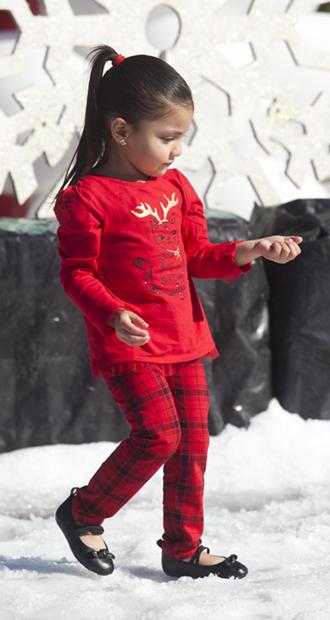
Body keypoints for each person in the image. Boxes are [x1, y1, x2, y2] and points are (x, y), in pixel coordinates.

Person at [53, 44, 303, 580]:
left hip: (185, 339)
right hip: (131, 345)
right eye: (167, 137)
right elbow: (76, 273)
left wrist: (252, 248)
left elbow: (197, 256)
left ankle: (183, 549)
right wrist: (113, 312)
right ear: (122, 132)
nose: (177, 151)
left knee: (191, 445)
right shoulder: (88, 198)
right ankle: (83, 513)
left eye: (181, 137)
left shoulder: (177, 187)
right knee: (159, 436)